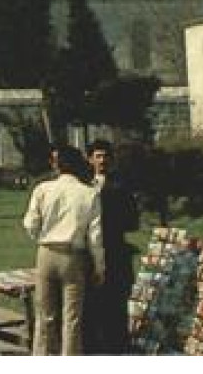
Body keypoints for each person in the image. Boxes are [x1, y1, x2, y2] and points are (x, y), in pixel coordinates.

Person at [22, 145, 104, 356]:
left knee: (45, 314)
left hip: (47, 252)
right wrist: (99, 266)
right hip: (73, 255)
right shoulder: (89, 193)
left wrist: (40, 238)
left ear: (57, 165)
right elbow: (95, 236)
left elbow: (30, 223)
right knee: (72, 318)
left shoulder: (43, 189)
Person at [84, 139, 138, 354]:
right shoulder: (84, 185)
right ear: (90, 159)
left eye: (106, 156)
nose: (102, 160)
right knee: (93, 301)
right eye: (98, 156)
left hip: (115, 249)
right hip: (90, 250)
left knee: (116, 300)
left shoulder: (121, 186)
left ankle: (118, 346)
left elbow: (132, 220)